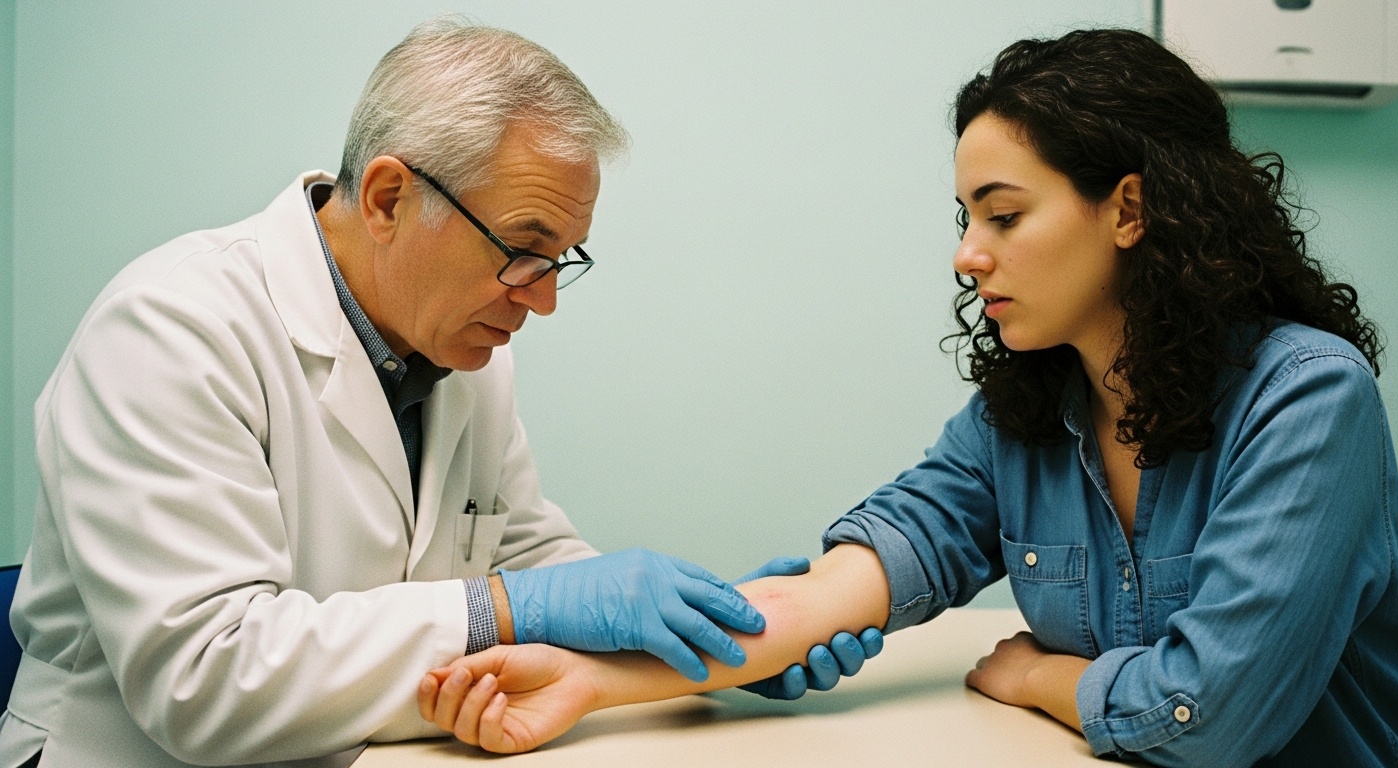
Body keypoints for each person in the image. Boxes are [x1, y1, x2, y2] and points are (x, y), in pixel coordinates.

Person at [417, 27, 1398, 767]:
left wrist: (1039, 678)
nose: (968, 254)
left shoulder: (1308, 402)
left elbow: (1213, 713)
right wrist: (594, 683)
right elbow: (819, 601)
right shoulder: (1016, 421)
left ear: (1129, 208)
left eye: (1004, 214)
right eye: (967, 214)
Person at [0, 18, 872, 768]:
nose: (544, 297)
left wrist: (702, 636)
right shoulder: (170, 329)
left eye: (562, 258)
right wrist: (510, 608)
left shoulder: (461, 352)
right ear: (387, 197)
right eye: (524, 248)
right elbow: (205, 680)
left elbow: (532, 558)